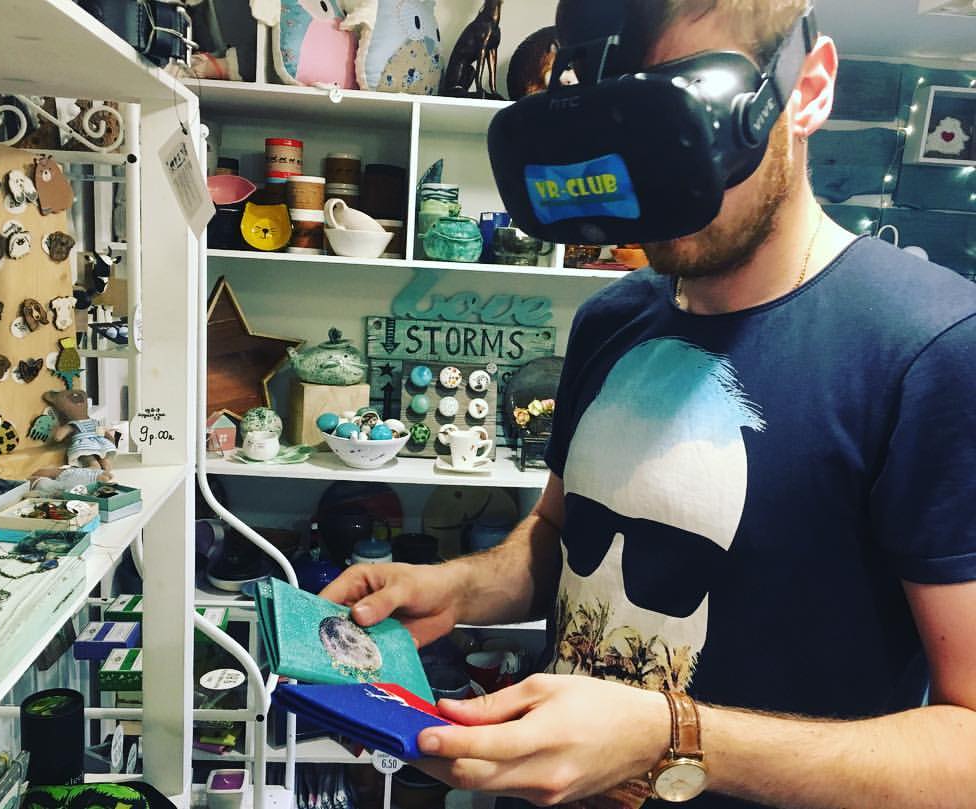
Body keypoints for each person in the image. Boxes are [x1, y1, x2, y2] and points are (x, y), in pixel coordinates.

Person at [322, 2, 976, 807]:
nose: (651, 187)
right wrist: (455, 588)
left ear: (808, 88)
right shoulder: (613, 317)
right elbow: (559, 536)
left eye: (680, 124)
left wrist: (672, 736)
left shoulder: (932, 351)